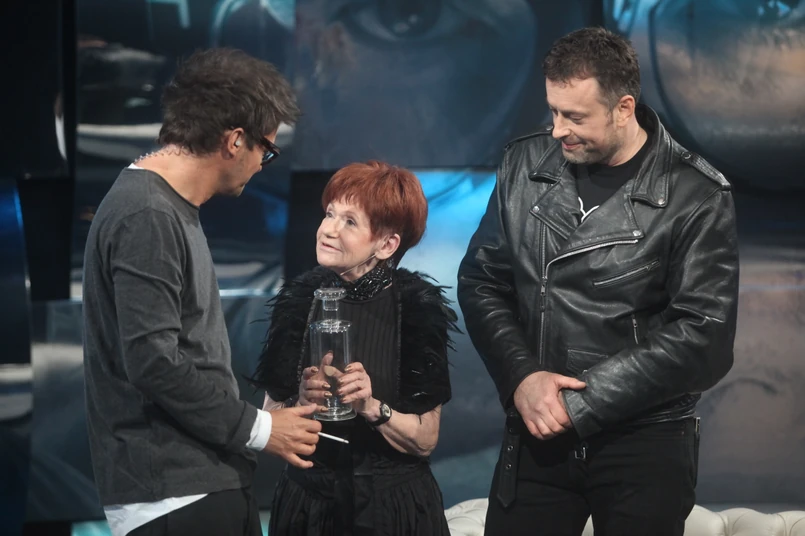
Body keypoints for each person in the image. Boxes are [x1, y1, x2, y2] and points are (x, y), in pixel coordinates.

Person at [457, 27, 739, 536]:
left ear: (624, 108)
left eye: (575, 117)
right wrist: (522, 377)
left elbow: (705, 336)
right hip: (539, 429)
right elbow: (482, 281)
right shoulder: (524, 165)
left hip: (644, 441)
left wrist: (580, 404)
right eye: (553, 111)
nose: (557, 130)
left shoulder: (696, 194)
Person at [82, 48, 322, 536]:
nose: (263, 166)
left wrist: (257, 413)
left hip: (198, 485)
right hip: (176, 495)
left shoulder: (164, 207)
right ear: (235, 141)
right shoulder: (148, 214)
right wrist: (260, 429)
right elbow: (153, 361)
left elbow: (185, 350)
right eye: (266, 150)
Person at [251, 161, 457, 536]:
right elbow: (270, 418)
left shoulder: (416, 307)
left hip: (393, 508)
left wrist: (371, 406)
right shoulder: (299, 298)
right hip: (308, 505)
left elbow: (425, 440)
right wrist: (301, 401)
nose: (328, 229)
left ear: (387, 244)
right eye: (329, 214)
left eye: (349, 222)